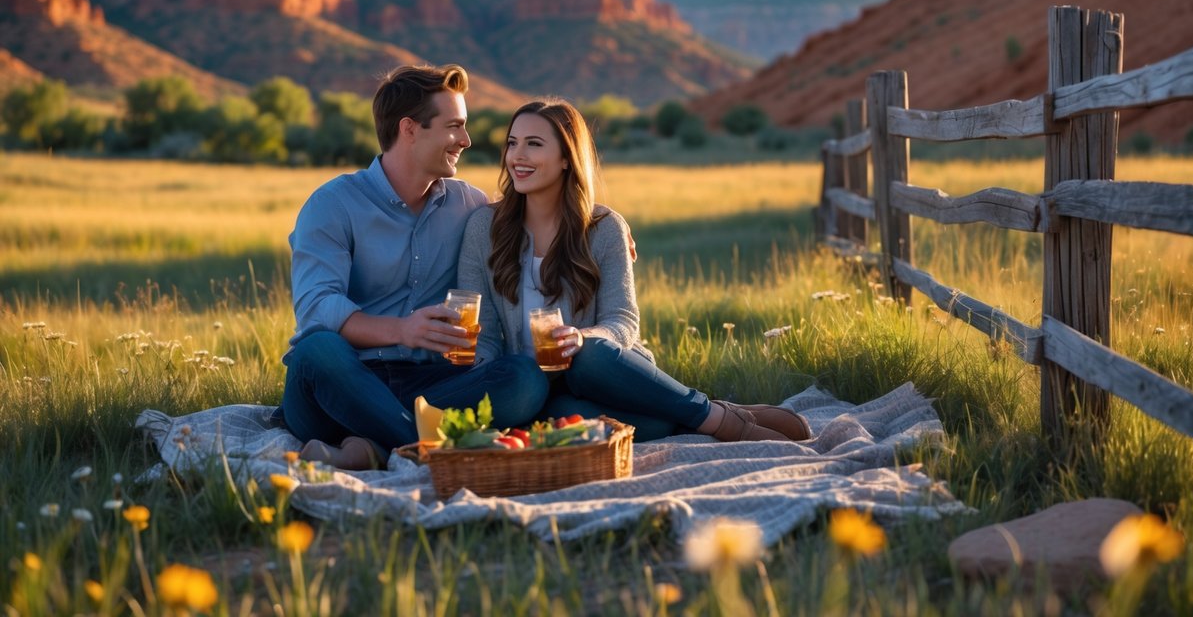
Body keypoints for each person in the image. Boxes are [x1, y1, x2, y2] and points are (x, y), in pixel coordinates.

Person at [457, 98, 812, 443]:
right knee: (645, 423)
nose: (517, 156)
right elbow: (483, 336)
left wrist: (584, 337)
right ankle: (714, 411)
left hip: (603, 374)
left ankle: (721, 422)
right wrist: (488, 386)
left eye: (533, 144)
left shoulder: (604, 227)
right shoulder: (484, 228)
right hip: (539, 390)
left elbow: (623, 321)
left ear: (567, 158)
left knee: (591, 353)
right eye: (512, 143)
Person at [279, 64, 548, 469]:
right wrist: (403, 330)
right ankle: (431, 450)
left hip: (433, 385)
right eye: (454, 126)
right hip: (345, 384)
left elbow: (539, 213)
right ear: (409, 129)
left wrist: (600, 224)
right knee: (317, 350)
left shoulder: (469, 204)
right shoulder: (332, 204)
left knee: (523, 378)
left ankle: (371, 448)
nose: (466, 140)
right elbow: (317, 307)